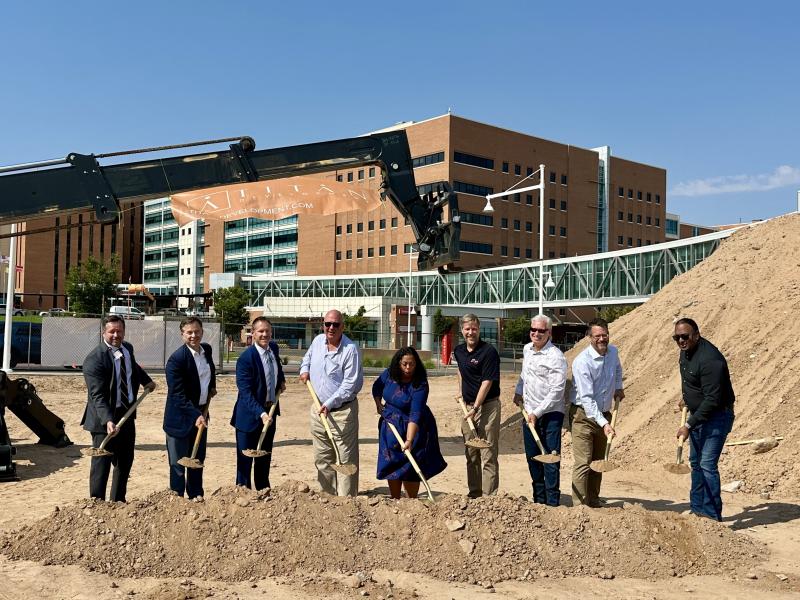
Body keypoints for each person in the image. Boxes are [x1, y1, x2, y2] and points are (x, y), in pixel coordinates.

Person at [81, 315, 155, 502]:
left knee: (124, 461)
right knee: (102, 463)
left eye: (119, 331)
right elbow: (97, 395)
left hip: (127, 414)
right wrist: (108, 420)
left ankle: (118, 502)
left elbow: (133, 368)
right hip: (103, 418)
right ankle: (97, 502)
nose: (116, 335)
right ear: (103, 332)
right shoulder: (94, 359)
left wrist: (146, 381)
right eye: (111, 331)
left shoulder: (127, 349)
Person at [674, 317, 735, 521]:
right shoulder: (686, 353)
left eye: (685, 336)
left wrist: (688, 425)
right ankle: (697, 509)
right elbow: (692, 382)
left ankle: (711, 516)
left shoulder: (711, 360)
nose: (681, 341)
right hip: (699, 414)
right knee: (696, 463)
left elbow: (712, 400)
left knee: (707, 464)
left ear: (696, 335)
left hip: (717, 416)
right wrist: (687, 399)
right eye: (677, 337)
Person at [299, 309, 363, 496]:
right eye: (328, 324)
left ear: (342, 326)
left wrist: (330, 403)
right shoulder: (318, 341)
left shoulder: (350, 350)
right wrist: (304, 370)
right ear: (323, 325)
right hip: (318, 409)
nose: (331, 328)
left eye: (336, 324)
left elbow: (349, 384)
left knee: (345, 459)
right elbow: (307, 359)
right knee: (323, 457)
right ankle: (328, 498)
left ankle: (346, 502)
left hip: (342, 412)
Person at [372, 347, 447, 499]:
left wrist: (409, 440)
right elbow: (377, 387)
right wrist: (378, 404)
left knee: (411, 464)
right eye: (404, 364)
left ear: (416, 364)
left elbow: (415, 413)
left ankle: (411, 501)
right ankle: (395, 499)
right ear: (398, 363)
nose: (408, 368)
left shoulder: (420, 384)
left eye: (411, 364)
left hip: (414, 427)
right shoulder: (389, 374)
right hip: (391, 426)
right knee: (391, 461)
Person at [569, 317, 624, 507]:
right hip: (583, 415)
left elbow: (617, 370)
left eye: (604, 335)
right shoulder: (582, 362)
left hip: (604, 412)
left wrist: (618, 387)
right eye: (597, 336)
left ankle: (593, 500)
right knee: (584, 462)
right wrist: (605, 424)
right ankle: (579, 505)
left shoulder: (613, 352)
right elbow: (587, 399)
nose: (602, 339)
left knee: (598, 462)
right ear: (589, 338)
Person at [513, 315, 567, 506]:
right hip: (529, 412)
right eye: (533, 330)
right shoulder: (527, 349)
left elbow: (557, 391)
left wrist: (537, 412)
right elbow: (524, 375)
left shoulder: (556, 357)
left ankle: (552, 504)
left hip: (550, 414)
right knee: (533, 457)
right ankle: (538, 502)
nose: (536, 333)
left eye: (541, 331)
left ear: (549, 333)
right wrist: (519, 391)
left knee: (550, 459)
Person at [163, 317, 217, 499]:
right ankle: (177, 499)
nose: (194, 335)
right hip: (180, 418)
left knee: (197, 459)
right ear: (182, 335)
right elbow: (177, 395)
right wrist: (196, 414)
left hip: (201, 412)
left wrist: (212, 387)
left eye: (197, 331)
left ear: (202, 331)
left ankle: (195, 494)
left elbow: (210, 371)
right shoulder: (176, 360)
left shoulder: (206, 350)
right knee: (178, 464)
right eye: (189, 332)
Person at [230, 317, 285, 490]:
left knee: (264, 458)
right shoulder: (246, 359)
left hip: (270, 412)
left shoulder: (273, 348)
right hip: (249, 417)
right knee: (245, 463)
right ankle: (243, 495)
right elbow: (245, 393)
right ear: (253, 334)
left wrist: (281, 381)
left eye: (267, 330)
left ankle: (263, 492)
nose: (264, 334)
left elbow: (277, 368)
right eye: (260, 331)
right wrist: (261, 414)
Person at [453, 313, 501, 498]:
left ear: (478, 329)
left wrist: (475, 408)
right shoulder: (458, 351)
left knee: (488, 452)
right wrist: (462, 392)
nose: (470, 332)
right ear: (462, 330)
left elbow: (487, 382)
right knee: (471, 453)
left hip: (488, 407)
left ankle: (489, 497)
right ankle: (474, 494)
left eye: (474, 329)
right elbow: (460, 371)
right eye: (467, 329)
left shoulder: (488, 352)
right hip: (468, 407)